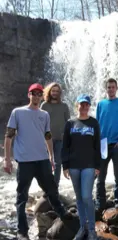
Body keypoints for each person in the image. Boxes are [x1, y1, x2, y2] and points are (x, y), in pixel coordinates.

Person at [2, 83, 71, 240]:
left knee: (52, 190)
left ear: (42, 96)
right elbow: (8, 136)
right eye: (34, 93)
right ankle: (22, 231)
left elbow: (48, 136)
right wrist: (7, 159)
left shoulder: (44, 114)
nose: (36, 96)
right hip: (25, 162)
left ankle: (63, 214)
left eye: (39, 94)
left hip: (42, 160)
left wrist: (52, 157)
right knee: (22, 197)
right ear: (29, 95)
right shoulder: (17, 112)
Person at [62, 94, 101, 240]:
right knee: (79, 198)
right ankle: (82, 227)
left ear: (89, 106)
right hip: (73, 166)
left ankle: (91, 229)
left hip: (89, 166)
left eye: (86, 105)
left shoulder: (94, 123)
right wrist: (65, 166)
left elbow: (98, 146)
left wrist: (98, 165)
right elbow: (65, 146)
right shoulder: (70, 123)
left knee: (86, 196)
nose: (84, 107)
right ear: (76, 105)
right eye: (81, 104)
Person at [96, 78, 118, 210]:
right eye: (108, 87)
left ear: (117, 88)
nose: (111, 89)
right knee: (101, 174)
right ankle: (100, 201)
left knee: (117, 174)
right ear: (106, 89)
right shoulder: (100, 104)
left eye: (113, 87)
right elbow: (97, 123)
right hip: (103, 144)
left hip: (116, 145)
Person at [41, 82, 70, 186]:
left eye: (57, 91)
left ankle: (55, 186)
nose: (55, 93)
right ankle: (47, 185)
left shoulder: (64, 106)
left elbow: (68, 123)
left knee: (58, 163)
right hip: (47, 139)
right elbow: (41, 123)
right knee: (47, 162)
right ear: (49, 91)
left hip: (60, 139)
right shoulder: (44, 105)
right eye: (53, 91)